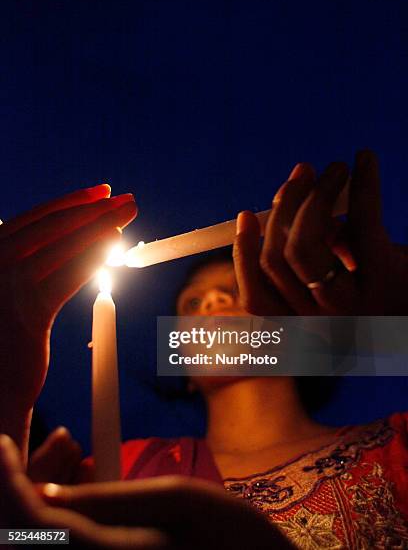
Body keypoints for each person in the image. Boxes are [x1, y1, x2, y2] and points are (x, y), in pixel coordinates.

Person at [0, 150, 407, 548]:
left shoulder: (396, 447)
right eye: (192, 304)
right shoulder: (120, 471)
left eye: (234, 291)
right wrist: (8, 402)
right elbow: (18, 538)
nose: (212, 304)